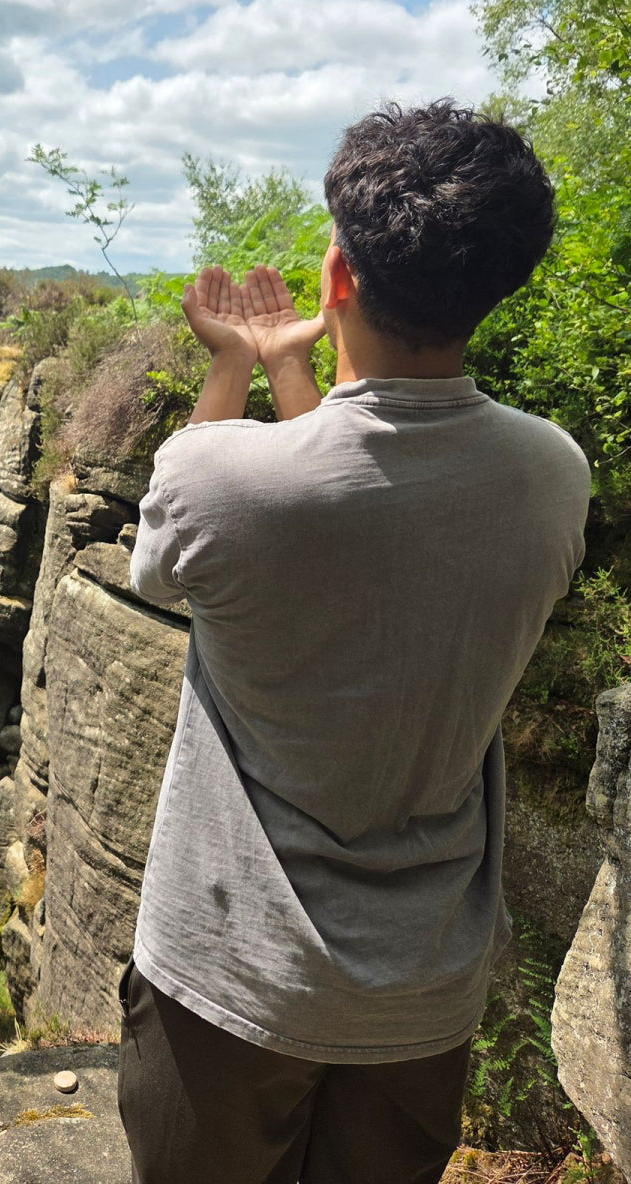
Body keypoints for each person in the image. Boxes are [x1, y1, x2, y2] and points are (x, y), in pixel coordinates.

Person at [118, 100, 592, 1184]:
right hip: (423, 993)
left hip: (230, 981)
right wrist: (300, 370)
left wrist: (235, 365)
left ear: (338, 275)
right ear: (500, 285)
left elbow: (187, 550)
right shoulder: (552, 477)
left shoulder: (216, 476)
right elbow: (359, 500)